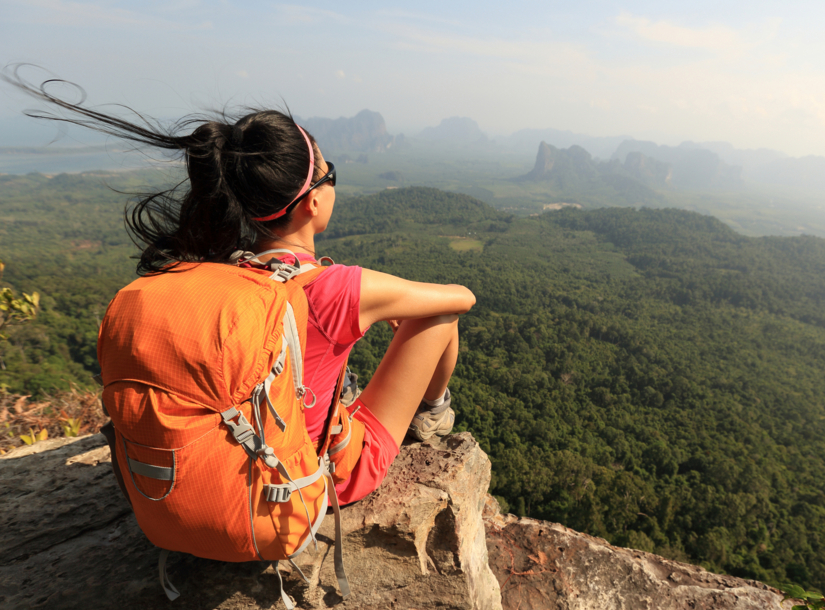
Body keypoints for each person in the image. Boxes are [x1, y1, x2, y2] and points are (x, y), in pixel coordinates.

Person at [3, 67, 475, 506]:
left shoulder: (212, 272)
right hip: (309, 481)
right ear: (312, 202)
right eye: (330, 175)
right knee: (438, 316)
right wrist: (387, 306)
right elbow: (461, 297)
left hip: (220, 479)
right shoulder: (340, 287)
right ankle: (434, 413)